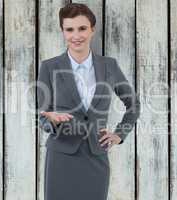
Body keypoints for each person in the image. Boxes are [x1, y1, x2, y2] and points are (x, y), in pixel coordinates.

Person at [37, 3, 140, 200]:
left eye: (82, 28)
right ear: (63, 32)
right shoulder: (49, 67)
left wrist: (120, 134)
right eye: (70, 29)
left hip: (96, 156)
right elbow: (41, 114)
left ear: (92, 29)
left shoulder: (109, 66)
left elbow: (133, 104)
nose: (76, 35)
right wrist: (51, 120)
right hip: (61, 157)